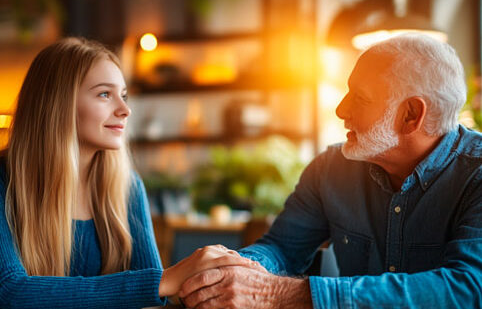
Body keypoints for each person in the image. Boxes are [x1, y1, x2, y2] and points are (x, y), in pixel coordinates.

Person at [178, 34, 482, 309]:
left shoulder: (476, 176)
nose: (341, 109)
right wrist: (236, 271)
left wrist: (280, 294)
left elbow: (467, 289)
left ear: (411, 115)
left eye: (360, 97)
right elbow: (282, 248)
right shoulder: (331, 169)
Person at [0, 37, 256, 309]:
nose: (125, 110)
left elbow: (152, 305)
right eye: (105, 94)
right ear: (58, 104)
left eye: (123, 96)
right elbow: (9, 292)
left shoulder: (127, 186)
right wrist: (165, 280)